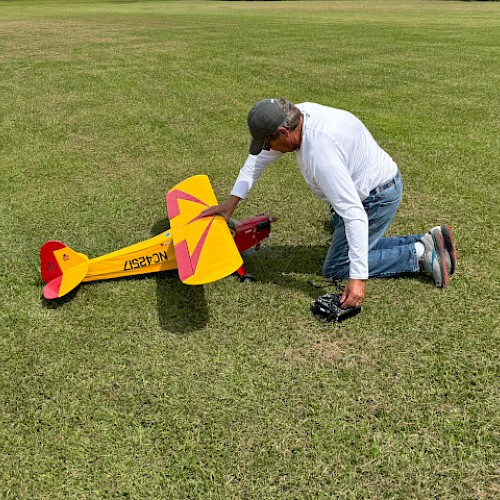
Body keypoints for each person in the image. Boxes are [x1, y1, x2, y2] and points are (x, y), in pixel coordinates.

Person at [201, 98, 457, 308]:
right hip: (376, 185)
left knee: (338, 266)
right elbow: (256, 161)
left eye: (268, 143)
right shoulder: (298, 115)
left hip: (375, 198)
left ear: (282, 132)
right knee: (352, 246)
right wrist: (231, 203)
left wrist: (357, 279)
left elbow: (354, 214)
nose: (268, 149)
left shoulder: (320, 154)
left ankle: (422, 255)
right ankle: (428, 240)